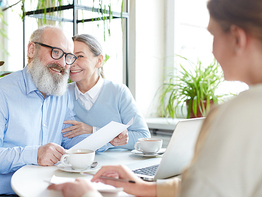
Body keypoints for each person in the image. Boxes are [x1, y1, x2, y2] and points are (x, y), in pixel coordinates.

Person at [48, 0, 262, 196]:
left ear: (237, 38)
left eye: (213, 35)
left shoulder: (237, 115)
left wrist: (87, 193)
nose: (212, 50)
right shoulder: (61, 95)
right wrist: (143, 187)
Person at [0, 25, 84, 196]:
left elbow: (69, 139)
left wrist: (105, 137)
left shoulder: (62, 95)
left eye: (67, 57)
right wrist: (35, 154)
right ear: (32, 50)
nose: (62, 63)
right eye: (56, 52)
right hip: (3, 194)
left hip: (47, 190)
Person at [61, 34, 151, 151]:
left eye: (80, 56)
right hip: (80, 166)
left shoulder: (119, 92)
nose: (72, 63)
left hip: (119, 165)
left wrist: (93, 130)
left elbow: (143, 137)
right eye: (69, 57)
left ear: (99, 61)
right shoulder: (63, 94)